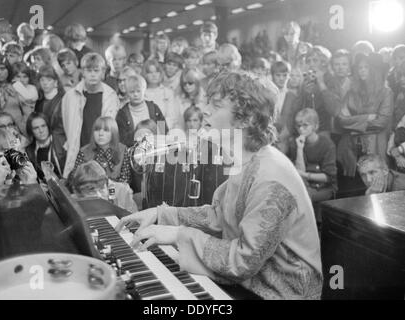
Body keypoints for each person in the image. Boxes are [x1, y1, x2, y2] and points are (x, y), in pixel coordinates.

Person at [116, 71, 322, 300]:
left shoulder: (270, 179)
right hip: (252, 283)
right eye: (207, 102)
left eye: (216, 105)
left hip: (279, 293)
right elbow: (218, 215)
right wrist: (160, 214)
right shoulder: (246, 161)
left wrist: (177, 234)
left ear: (246, 119)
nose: (205, 110)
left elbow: (242, 262)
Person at [62, 53, 120, 178]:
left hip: (102, 153)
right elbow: (65, 126)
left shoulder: (111, 96)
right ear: (82, 72)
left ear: (103, 72)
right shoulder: (70, 96)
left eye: (96, 70)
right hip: (78, 152)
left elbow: (112, 129)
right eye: (88, 70)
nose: (93, 74)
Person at [336, 53, 394, 177]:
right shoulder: (352, 92)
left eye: (366, 67)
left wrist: (354, 127)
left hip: (375, 147)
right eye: (360, 67)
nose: (362, 70)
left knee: (375, 183)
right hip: (351, 150)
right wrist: (366, 118)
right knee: (354, 187)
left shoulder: (386, 93)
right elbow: (341, 120)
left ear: (374, 70)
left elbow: (381, 123)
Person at [287, 108, 337, 203]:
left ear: (315, 126)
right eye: (298, 126)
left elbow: (329, 178)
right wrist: (300, 148)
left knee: (300, 198)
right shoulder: (295, 143)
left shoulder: (327, 144)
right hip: (305, 186)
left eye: (305, 125)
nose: (301, 129)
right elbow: (300, 172)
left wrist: (305, 175)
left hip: (324, 188)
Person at [70, 116, 131, 184]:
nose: (100, 134)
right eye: (97, 130)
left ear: (113, 133)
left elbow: (125, 181)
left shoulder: (123, 150)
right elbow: (76, 179)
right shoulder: (84, 152)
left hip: (117, 192)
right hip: (90, 192)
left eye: (106, 130)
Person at [116, 74, 167, 147]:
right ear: (127, 93)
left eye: (138, 91)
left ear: (144, 90)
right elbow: (122, 139)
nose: (136, 94)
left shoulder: (154, 108)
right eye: (132, 92)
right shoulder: (122, 114)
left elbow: (163, 131)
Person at [0, 54, 29, 136]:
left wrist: (26, 132)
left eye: (2, 68)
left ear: (8, 69)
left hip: (19, 131)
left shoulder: (17, 85)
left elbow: (28, 111)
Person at [70, 160, 137, 212]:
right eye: (91, 191)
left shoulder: (122, 191)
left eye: (101, 189)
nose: (98, 195)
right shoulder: (74, 199)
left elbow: (135, 220)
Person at [34, 65, 66, 174]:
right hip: (44, 144)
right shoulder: (38, 102)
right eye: (42, 80)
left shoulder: (64, 99)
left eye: (49, 80)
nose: (45, 83)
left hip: (62, 145)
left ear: (56, 82)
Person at [25, 112, 64, 179]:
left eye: (43, 126)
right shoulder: (29, 151)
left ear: (48, 126)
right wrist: (38, 185)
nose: (41, 130)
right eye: (36, 128)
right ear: (31, 131)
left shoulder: (62, 143)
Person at [144, 59, 180, 129]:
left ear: (160, 73)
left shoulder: (168, 93)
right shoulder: (142, 93)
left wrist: (161, 131)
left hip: (164, 131)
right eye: (150, 72)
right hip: (146, 131)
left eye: (156, 72)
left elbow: (171, 117)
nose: (154, 75)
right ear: (145, 75)